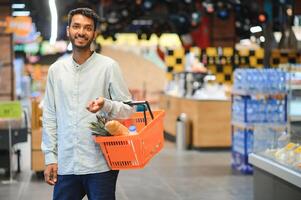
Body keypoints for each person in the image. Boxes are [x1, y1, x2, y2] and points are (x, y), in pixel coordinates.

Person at [41, 7, 134, 200]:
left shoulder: (108, 67)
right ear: (68, 30)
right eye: (76, 26)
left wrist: (106, 104)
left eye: (87, 28)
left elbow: (128, 110)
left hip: (100, 164)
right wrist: (50, 157)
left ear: (94, 33)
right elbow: (50, 115)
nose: (81, 32)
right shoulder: (56, 70)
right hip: (66, 164)